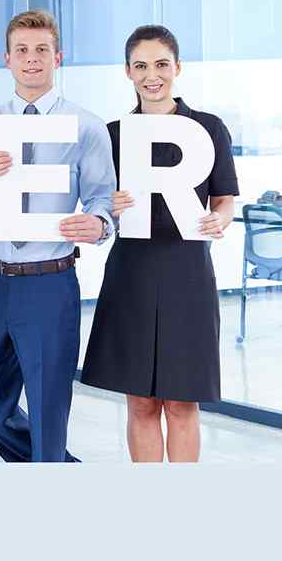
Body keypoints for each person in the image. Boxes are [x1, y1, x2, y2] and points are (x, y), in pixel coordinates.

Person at [0, 9, 115, 463]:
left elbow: (102, 200)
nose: (32, 59)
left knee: (48, 409)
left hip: (49, 281)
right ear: (7, 59)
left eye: (41, 50)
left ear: (57, 57)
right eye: (22, 51)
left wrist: (100, 224)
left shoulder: (86, 125)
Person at [81, 25, 237, 462]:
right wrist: (106, 205)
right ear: (128, 72)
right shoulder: (111, 135)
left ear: (178, 67)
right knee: (141, 402)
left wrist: (218, 220)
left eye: (162, 64)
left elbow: (224, 197)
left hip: (187, 275)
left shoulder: (207, 128)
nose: (153, 75)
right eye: (142, 66)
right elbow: (97, 205)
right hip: (131, 273)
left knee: (183, 402)